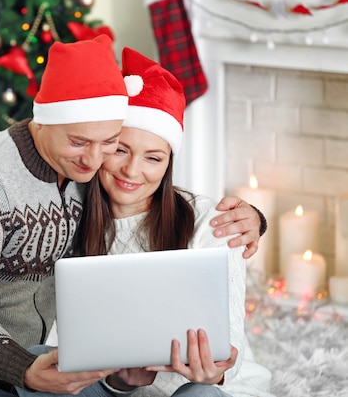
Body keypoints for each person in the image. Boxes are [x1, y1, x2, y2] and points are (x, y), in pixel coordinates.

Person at [0, 36, 266, 397]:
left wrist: (253, 218)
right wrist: (26, 372)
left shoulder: (83, 178)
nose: (96, 159)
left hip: (16, 364)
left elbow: (148, 198)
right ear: (45, 118)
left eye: (109, 142)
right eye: (80, 142)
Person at [17, 47, 274, 397]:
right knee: (37, 361)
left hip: (201, 389)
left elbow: (231, 342)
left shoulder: (212, 222)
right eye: (120, 150)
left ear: (168, 165)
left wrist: (212, 373)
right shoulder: (67, 212)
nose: (132, 171)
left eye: (153, 158)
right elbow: (69, 343)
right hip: (109, 386)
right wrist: (121, 381)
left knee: (198, 395)